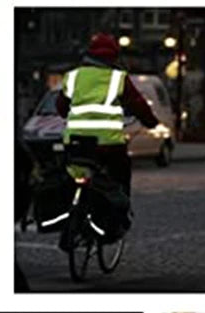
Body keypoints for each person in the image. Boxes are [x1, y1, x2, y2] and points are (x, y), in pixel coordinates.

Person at [56, 33, 158, 200]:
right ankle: (121, 214)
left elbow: (61, 108)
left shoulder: (73, 76)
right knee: (120, 177)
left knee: (70, 175)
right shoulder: (118, 78)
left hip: (76, 141)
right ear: (114, 56)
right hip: (108, 144)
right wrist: (151, 122)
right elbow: (137, 104)